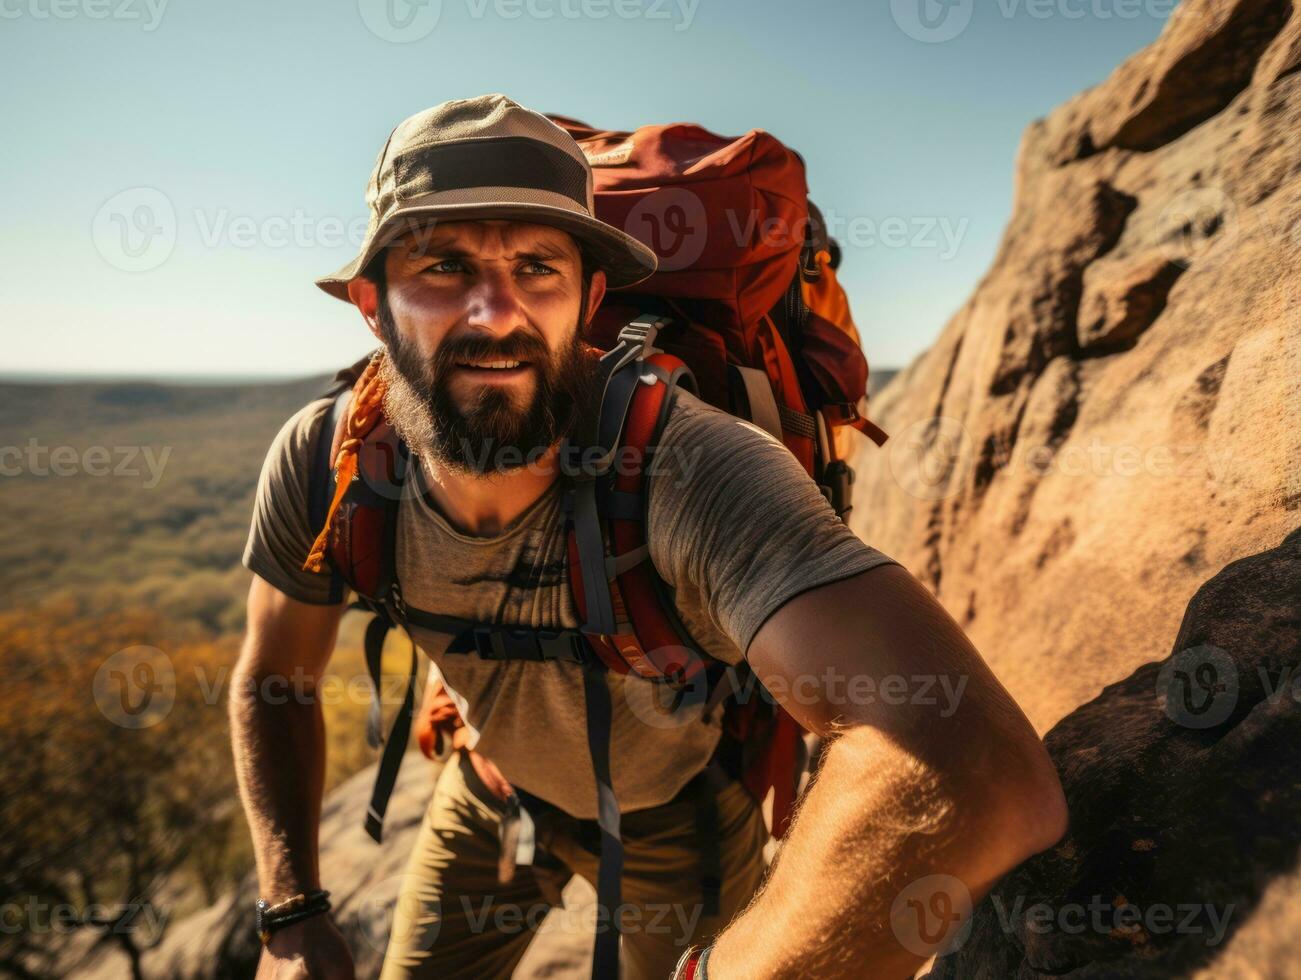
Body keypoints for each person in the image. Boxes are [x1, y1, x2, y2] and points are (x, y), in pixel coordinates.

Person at [230, 94, 1067, 980]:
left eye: (538, 269)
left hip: (678, 820)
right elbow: (274, 674)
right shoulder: (331, 462)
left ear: (591, 295)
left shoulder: (689, 467)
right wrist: (289, 910)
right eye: (442, 266)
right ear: (372, 303)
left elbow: (974, 769)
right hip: (490, 795)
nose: (495, 314)